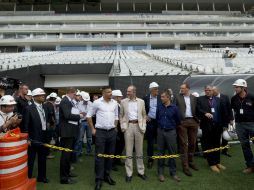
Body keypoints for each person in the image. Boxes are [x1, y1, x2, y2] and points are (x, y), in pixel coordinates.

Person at [87, 86, 118, 190]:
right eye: (108, 92)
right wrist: (92, 129)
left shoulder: (114, 103)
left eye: (111, 92)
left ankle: (107, 176)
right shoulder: (97, 102)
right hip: (100, 132)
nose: (111, 94)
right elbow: (89, 116)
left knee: (110, 156)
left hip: (111, 132)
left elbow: (116, 116)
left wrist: (115, 128)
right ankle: (99, 179)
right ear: (104, 93)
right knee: (99, 157)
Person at [120, 85, 147, 183]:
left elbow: (144, 115)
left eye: (129, 91)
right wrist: (123, 126)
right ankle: (129, 173)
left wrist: (143, 126)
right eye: (127, 91)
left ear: (134, 92)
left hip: (139, 127)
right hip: (128, 127)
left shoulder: (141, 101)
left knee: (140, 150)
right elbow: (121, 115)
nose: (127, 93)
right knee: (128, 151)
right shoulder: (123, 102)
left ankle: (141, 171)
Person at [197, 85, 226, 173]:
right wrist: (205, 113)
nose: (207, 91)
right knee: (209, 145)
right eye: (206, 90)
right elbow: (198, 109)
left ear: (213, 91)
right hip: (206, 125)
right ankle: (212, 164)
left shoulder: (218, 100)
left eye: (209, 90)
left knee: (217, 144)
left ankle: (218, 162)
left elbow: (223, 112)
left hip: (217, 125)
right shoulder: (200, 99)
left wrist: (225, 124)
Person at [23, 88, 49, 183]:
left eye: (43, 95)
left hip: (43, 136)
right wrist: (27, 138)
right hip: (33, 138)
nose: (43, 96)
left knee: (43, 158)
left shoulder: (45, 107)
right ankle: (27, 178)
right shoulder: (28, 108)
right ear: (35, 97)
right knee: (30, 159)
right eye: (41, 95)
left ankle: (42, 177)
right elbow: (25, 125)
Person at [59, 88, 83, 184]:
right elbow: (67, 115)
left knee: (68, 155)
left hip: (70, 131)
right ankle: (64, 178)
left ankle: (67, 173)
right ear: (71, 93)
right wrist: (79, 116)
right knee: (65, 156)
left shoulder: (69, 101)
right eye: (75, 94)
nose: (75, 96)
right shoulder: (65, 101)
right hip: (67, 132)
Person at [156, 89, 181, 182]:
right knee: (160, 153)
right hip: (161, 132)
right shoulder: (159, 107)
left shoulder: (174, 108)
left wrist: (171, 127)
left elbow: (178, 121)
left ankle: (173, 173)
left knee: (172, 153)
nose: (161, 98)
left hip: (171, 132)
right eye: (161, 97)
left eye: (163, 97)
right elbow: (157, 118)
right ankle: (161, 173)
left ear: (168, 97)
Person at [175, 83, 199, 177]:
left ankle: (190, 161)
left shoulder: (194, 98)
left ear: (188, 89)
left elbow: (198, 109)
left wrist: (198, 120)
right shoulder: (177, 97)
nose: (181, 89)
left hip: (193, 121)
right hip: (182, 122)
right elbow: (174, 109)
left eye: (183, 88)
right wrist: (178, 121)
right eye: (181, 88)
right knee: (184, 144)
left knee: (193, 143)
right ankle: (185, 166)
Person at [231, 79, 254, 174]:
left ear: (243, 87)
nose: (235, 88)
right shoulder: (234, 98)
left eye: (237, 87)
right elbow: (232, 110)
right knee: (245, 146)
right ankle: (250, 166)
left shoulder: (252, 97)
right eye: (235, 87)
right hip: (240, 125)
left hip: (252, 124)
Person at [143, 82, 161, 169]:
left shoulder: (161, 98)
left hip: (159, 122)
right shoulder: (145, 98)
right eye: (155, 89)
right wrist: (145, 115)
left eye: (157, 89)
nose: (157, 90)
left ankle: (161, 160)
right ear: (151, 90)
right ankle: (150, 160)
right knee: (150, 142)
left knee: (160, 142)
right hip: (150, 122)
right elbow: (141, 109)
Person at [212, 86, 234, 157]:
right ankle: (216, 151)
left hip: (224, 121)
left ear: (218, 90)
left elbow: (229, 108)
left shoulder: (225, 97)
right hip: (215, 121)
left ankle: (225, 151)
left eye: (214, 91)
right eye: (212, 91)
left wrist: (231, 119)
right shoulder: (211, 98)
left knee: (225, 136)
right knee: (216, 137)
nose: (213, 92)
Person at [112, 90, 125, 171]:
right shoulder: (113, 105)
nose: (121, 97)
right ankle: (112, 163)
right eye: (119, 96)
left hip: (121, 128)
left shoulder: (120, 104)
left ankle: (117, 160)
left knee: (120, 145)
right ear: (115, 97)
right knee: (115, 146)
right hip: (115, 127)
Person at [78, 91, 93, 155]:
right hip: (82, 122)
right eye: (85, 100)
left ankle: (89, 151)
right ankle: (80, 151)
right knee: (80, 138)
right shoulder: (79, 104)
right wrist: (80, 113)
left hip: (89, 122)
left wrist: (88, 114)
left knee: (89, 138)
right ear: (82, 98)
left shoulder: (91, 103)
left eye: (87, 100)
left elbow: (93, 113)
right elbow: (77, 113)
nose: (86, 101)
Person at [44, 92, 57, 159]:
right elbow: (51, 115)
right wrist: (54, 123)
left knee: (46, 139)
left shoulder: (46, 104)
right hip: (49, 124)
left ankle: (46, 152)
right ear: (54, 99)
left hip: (46, 124)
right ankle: (47, 154)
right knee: (48, 139)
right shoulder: (50, 105)